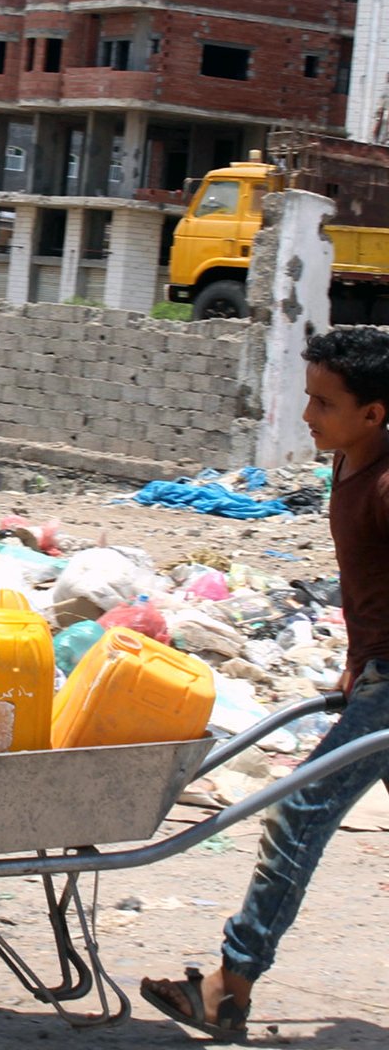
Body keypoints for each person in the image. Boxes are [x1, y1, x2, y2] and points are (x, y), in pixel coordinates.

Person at [142, 327, 389, 1041]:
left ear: (374, 414)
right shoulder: (346, 460)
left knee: (298, 810)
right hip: (376, 672)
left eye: (323, 403)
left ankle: (229, 987)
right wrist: (358, 659)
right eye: (308, 397)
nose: (307, 416)